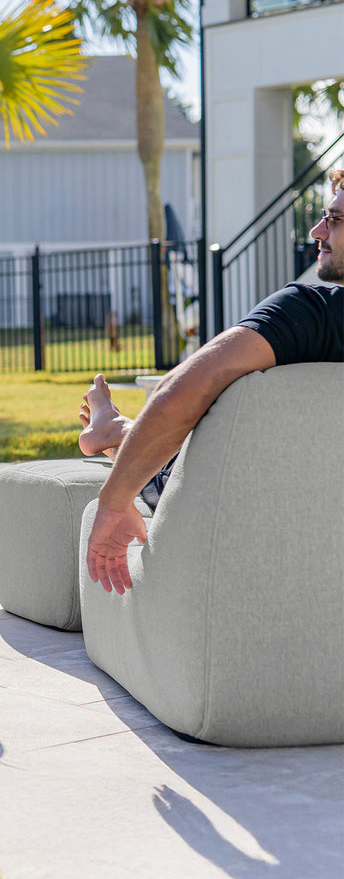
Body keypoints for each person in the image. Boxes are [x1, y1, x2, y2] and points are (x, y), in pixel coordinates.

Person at [79, 167, 344, 596]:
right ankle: (115, 429)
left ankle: (114, 432)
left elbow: (178, 393)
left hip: (243, 516)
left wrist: (113, 503)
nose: (317, 230)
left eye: (334, 219)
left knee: (188, 445)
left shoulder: (312, 313)